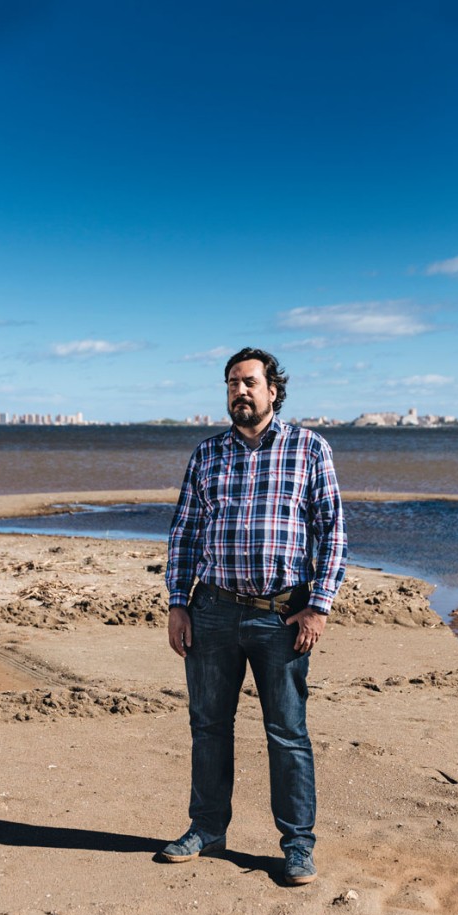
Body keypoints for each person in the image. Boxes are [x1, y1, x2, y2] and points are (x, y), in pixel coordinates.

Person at [162, 346, 347, 885]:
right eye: (231, 383)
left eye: (248, 382)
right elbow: (185, 532)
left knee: (287, 732)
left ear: (273, 390)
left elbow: (332, 530)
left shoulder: (309, 449)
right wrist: (178, 602)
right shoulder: (207, 454)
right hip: (212, 609)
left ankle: (297, 845)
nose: (239, 391)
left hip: (282, 615)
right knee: (208, 727)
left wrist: (319, 605)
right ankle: (206, 828)